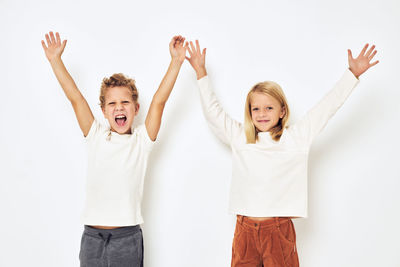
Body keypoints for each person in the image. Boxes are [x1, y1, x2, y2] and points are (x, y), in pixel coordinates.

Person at [185, 40, 379, 266]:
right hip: (245, 230)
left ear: (282, 111)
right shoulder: (240, 138)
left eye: (269, 108)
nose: (262, 114)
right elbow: (213, 113)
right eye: (255, 108)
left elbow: (326, 108)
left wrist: (352, 75)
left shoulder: (296, 138)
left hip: (277, 230)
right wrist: (201, 73)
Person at [41, 31, 188, 267]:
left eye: (125, 102)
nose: (119, 107)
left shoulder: (142, 140)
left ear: (136, 107)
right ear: (103, 110)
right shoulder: (96, 135)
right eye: (112, 103)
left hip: (126, 238)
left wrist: (175, 62)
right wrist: (55, 61)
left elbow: (160, 101)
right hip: (92, 238)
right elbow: (76, 99)